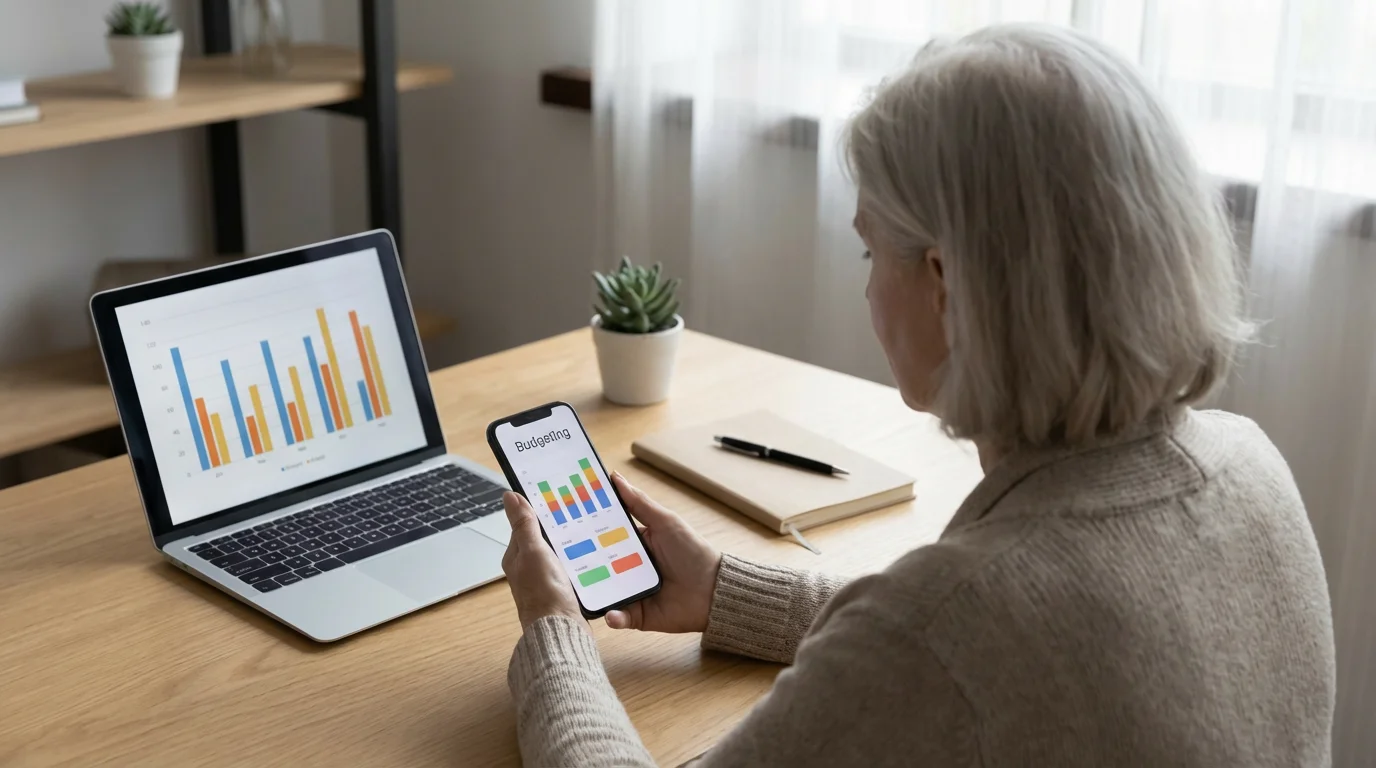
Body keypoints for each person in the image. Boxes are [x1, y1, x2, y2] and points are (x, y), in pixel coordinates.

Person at [498, 23, 1336, 767]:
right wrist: (727, 593)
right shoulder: (1250, 466)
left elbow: (947, 641)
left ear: (943, 283)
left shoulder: (949, 626)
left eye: (870, 253)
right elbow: (1004, 655)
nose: (866, 293)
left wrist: (554, 637)